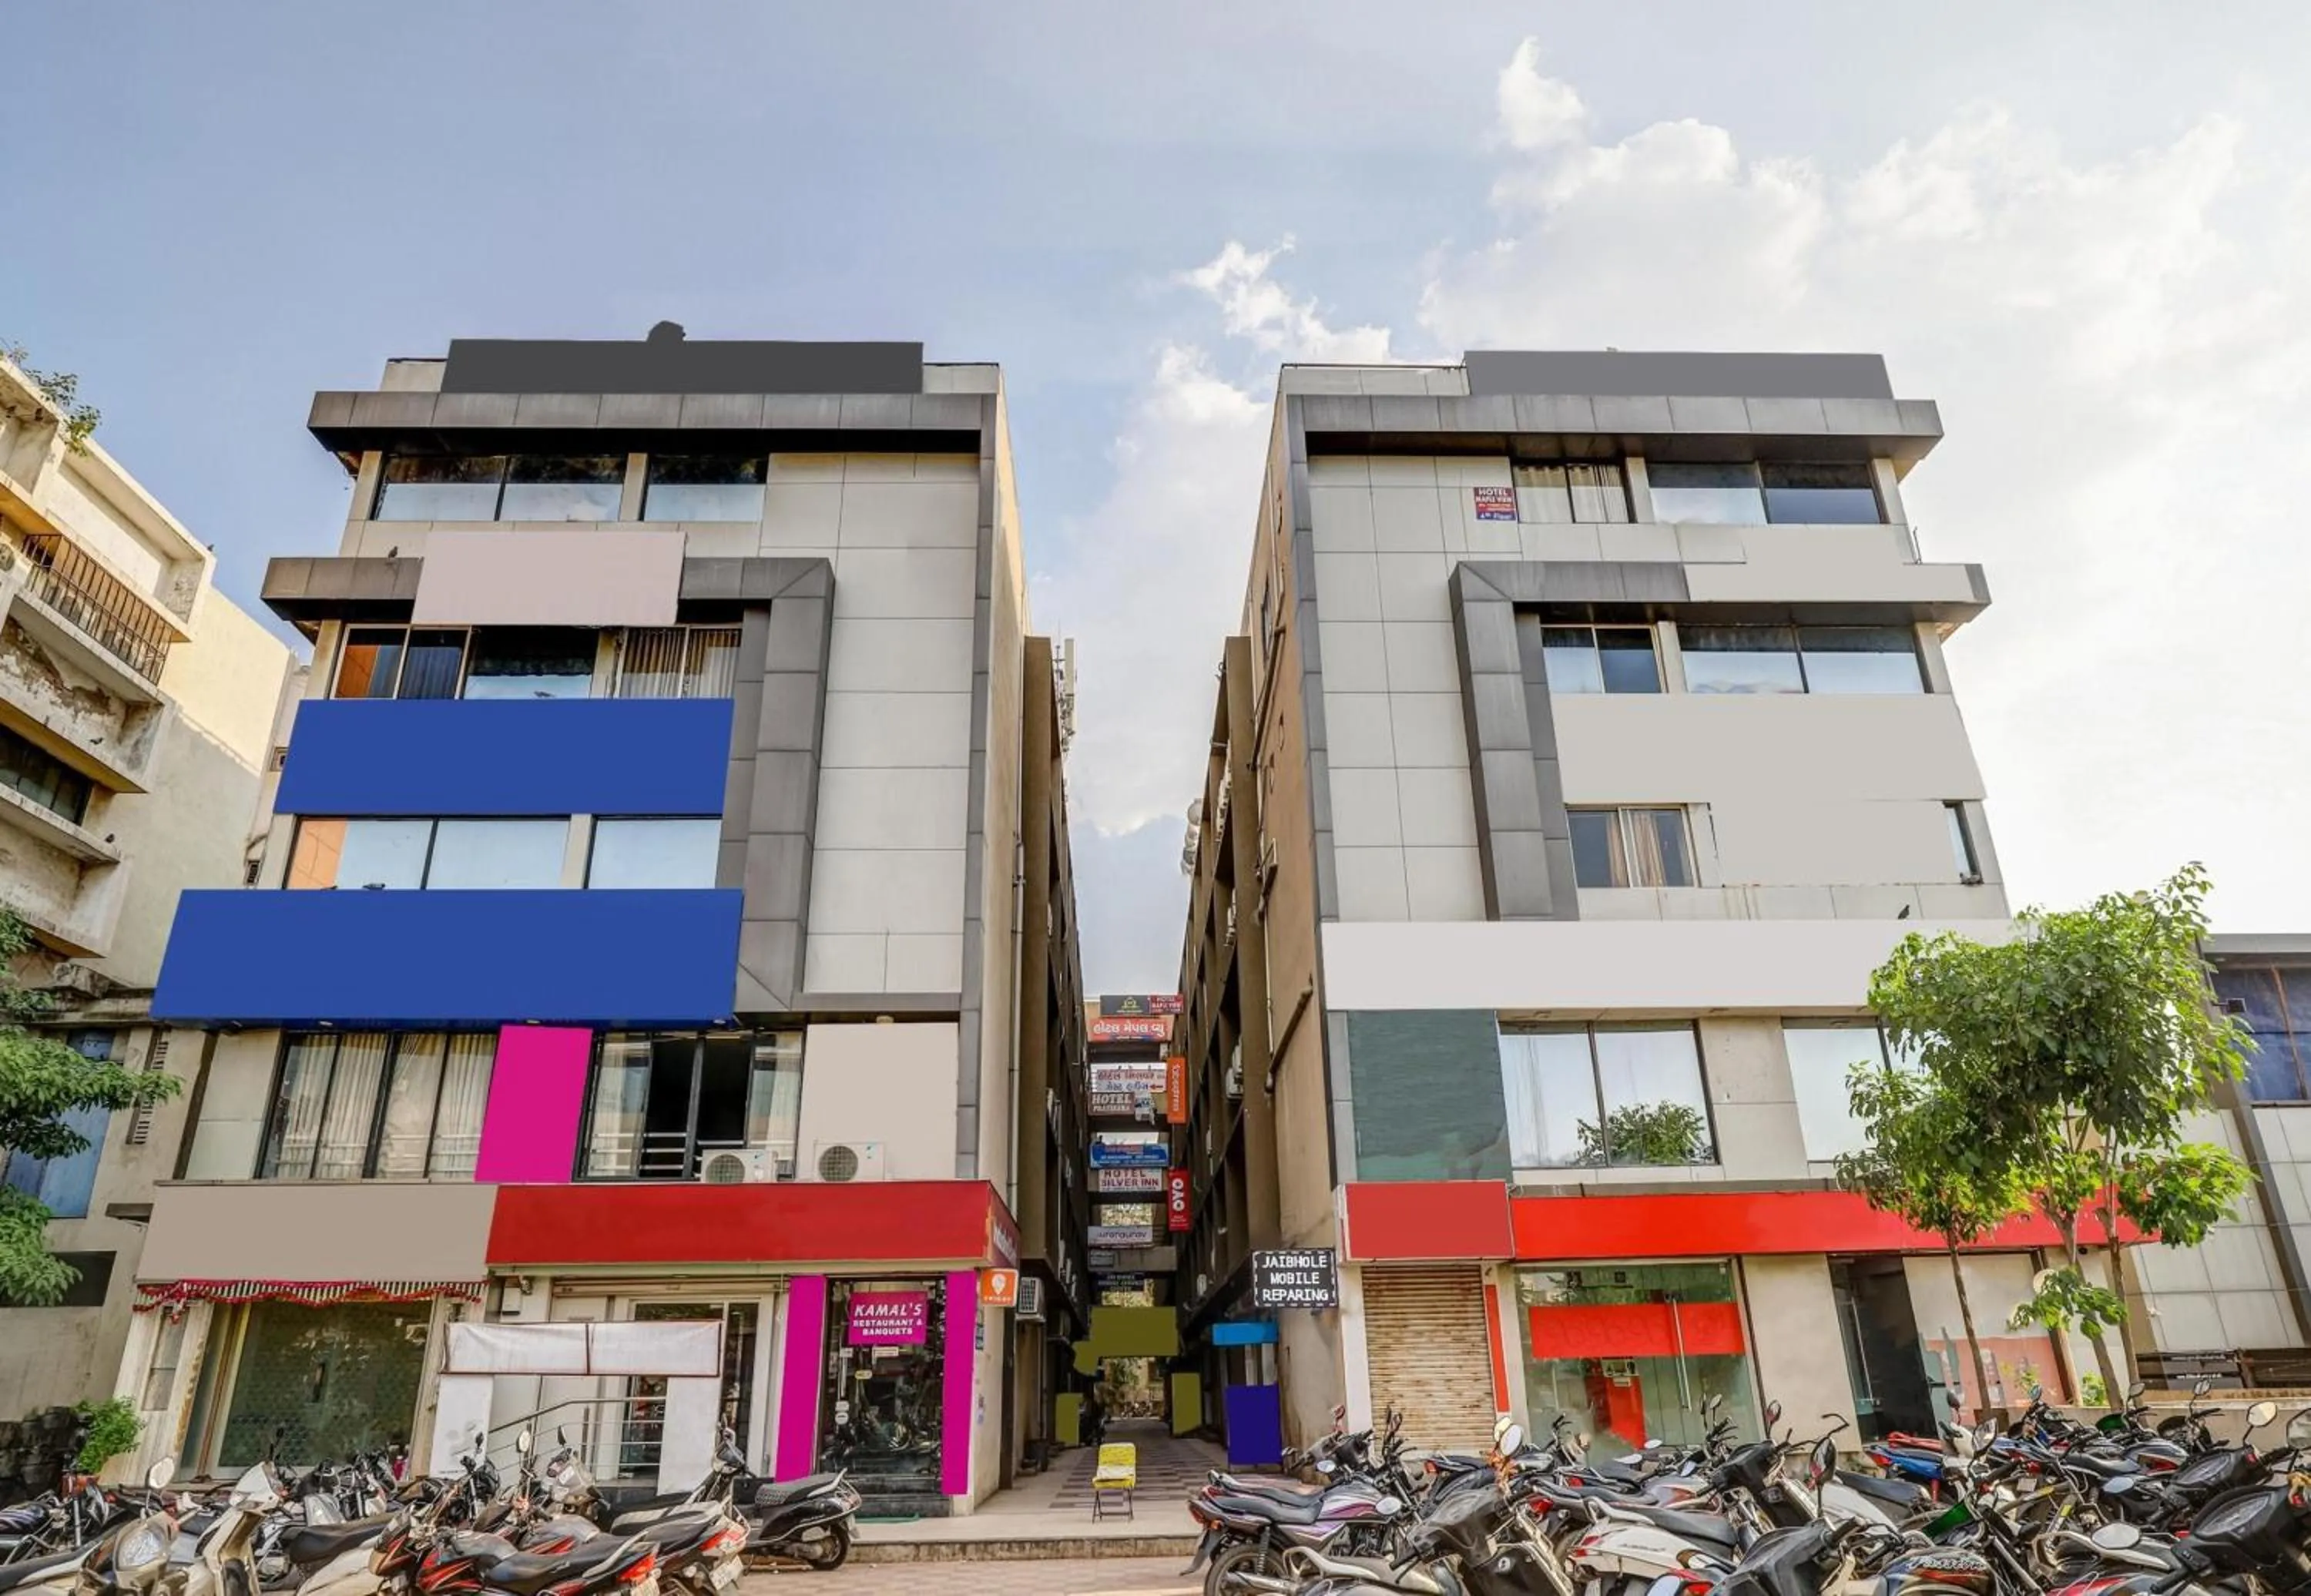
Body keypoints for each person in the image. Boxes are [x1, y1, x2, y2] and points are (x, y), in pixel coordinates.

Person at [1082, 1384, 1107, 1449]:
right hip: (1093, 1418)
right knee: (1094, 1429)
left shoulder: (1094, 1403)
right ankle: (1093, 1440)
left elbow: (1098, 1411)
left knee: (1096, 1429)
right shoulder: (1092, 1403)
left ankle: (1096, 1440)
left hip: (1095, 1418)